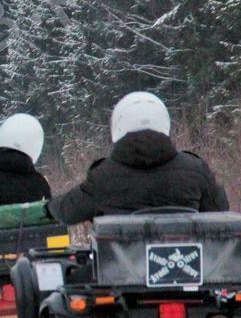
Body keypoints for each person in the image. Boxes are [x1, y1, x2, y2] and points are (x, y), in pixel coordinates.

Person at [48, 92, 229, 225]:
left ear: (118, 126)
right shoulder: (195, 169)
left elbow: (67, 211)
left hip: (119, 274)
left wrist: (47, 209)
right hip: (185, 269)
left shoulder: (103, 176)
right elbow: (220, 209)